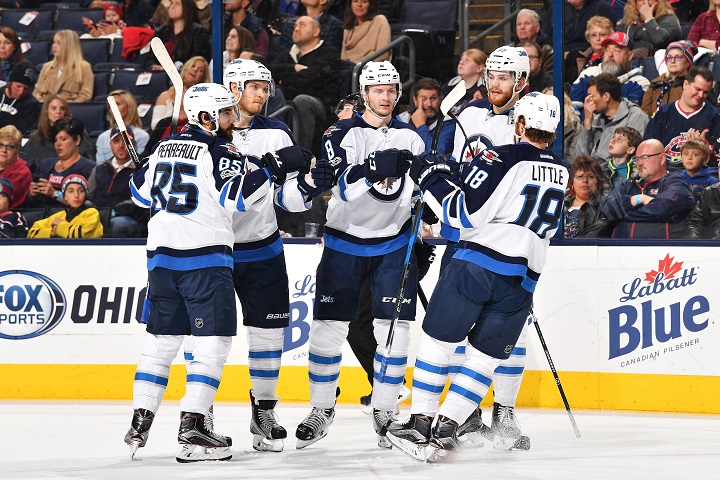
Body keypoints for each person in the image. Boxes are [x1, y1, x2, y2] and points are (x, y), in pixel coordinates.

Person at [123, 82, 312, 462]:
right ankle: (193, 425)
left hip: (161, 261)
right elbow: (236, 197)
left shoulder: (164, 147)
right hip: (203, 261)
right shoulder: (220, 148)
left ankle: (140, 421)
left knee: (161, 342)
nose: (232, 120)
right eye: (226, 113)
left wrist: (147, 165)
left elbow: (139, 194)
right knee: (213, 344)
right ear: (207, 117)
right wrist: (274, 166)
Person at [386, 92, 567, 461]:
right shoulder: (563, 169)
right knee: (484, 359)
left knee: (438, 342)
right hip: (524, 279)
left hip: (478, 266)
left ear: (519, 124)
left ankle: (420, 424)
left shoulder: (504, 155)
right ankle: (447, 428)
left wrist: (431, 177)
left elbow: (462, 214)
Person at [294, 60, 424, 450]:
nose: (385, 97)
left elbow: (419, 192)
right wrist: (372, 167)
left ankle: (385, 410)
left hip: (394, 245)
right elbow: (342, 187)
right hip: (344, 243)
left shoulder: (412, 137)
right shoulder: (342, 132)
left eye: (391, 90)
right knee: (326, 332)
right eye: (378, 90)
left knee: (395, 333)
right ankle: (321, 408)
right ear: (365, 93)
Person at [221, 58, 330, 452]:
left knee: (268, 332)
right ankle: (201, 416)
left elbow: (287, 200)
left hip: (263, 246)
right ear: (233, 87)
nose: (263, 94)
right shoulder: (209, 133)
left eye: (265, 88)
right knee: (209, 337)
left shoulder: (278, 132)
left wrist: (308, 189)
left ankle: (263, 411)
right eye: (254, 87)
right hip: (215, 250)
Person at [268, 16, 341, 152]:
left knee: (302, 100)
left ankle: (301, 155)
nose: (296, 29)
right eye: (295, 26)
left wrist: (284, 80)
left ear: (316, 31)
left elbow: (313, 79)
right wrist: (293, 68)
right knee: (272, 93)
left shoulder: (329, 52)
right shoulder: (287, 54)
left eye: (302, 25)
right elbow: (268, 71)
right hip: (289, 100)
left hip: (322, 105)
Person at [602, 138, 695, 238]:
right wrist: (638, 199)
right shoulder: (629, 184)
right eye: (637, 159)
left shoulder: (675, 182)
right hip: (620, 250)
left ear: (662, 158)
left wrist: (622, 215)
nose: (639, 163)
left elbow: (662, 209)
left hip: (661, 250)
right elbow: (608, 209)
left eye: (645, 157)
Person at [643, 66, 720, 171]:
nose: (701, 95)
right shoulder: (662, 112)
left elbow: (718, 157)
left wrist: (706, 147)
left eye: (706, 92)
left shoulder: (715, 115)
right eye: (697, 89)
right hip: (666, 176)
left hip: (702, 177)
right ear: (685, 84)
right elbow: (647, 149)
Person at [570, 32, 650, 116]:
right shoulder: (588, 74)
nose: (610, 55)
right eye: (607, 50)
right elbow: (574, 112)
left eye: (617, 51)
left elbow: (626, 117)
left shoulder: (640, 83)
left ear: (629, 56)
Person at [576, 73, 649, 163]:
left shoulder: (636, 117)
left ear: (606, 96)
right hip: (593, 173)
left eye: (592, 96)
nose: (587, 100)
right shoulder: (595, 119)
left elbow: (634, 159)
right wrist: (587, 122)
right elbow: (579, 158)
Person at [25, 118, 96, 210]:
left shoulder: (89, 167)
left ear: (77, 140)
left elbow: (85, 205)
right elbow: (30, 205)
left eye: (63, 139)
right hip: (42, 217)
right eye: (55, 140)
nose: (58, 144)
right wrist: (31, 195)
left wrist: (54, 194)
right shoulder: (45, 164)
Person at [88, 126, 146, 237]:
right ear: (110, 144)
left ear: (133, 143)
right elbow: (87, 196)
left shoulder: (142, 169)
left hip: (129, 219)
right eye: (116, 141)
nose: (121, 146)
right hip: (99, 215)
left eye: (125, 141)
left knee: (116, 224)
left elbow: (143, 200)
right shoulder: (100, 168)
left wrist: (117, 211)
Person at [21, 95, 95, 171]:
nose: (58, 112)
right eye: (54, 108)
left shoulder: (77, 131)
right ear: (46, 111)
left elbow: (89, 161)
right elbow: (25, 166)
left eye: (62, 108)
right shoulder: (36, 138)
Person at [27, 174, 103, 238]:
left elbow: (80, 235)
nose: (76, 195)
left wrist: (59, 226)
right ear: (65, 196)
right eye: (71, 191)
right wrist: (51, 233)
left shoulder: (92, 213)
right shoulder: (59, 215)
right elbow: (32, 233)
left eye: (81, 191)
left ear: (85, 195)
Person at [395, 78, 456, 155]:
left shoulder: (449, 123)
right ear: (415, 100)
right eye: (424, 99)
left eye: (433, 98)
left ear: (440, 99)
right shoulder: (401, 120)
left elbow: (437, 154)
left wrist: (421, 126)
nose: (429, 104)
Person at [150, 56, 209, 131]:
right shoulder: (165, 96)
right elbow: (155, 125)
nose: (195, 69)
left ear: (203, 78)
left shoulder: (204, 100)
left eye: (200, 70)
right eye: (193, 66)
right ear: (185, 69)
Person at [32, 30, 93, 104]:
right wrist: (45, 106)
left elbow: (85, 96)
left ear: (70, 46)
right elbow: (37, 92)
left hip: (69, 111)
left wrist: (64, 108)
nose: (54, 46)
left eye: (59, 43)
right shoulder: (46, 67)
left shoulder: (84, 67)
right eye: (54, 42)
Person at [148, 0, 211, 69]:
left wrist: (170, 69)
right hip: (159, 75)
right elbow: (149, 59)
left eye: (177, 4)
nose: (172, 6)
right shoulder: (161, 31)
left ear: (187, 8)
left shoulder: (198, 32)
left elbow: (196, 61)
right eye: (171, 3)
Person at [640, 40, 696, 117]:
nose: (672, 61)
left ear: (687, 62)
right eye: (669, 58)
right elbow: (645, 113)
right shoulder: (656, 83)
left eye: (677, 57)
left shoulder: (692, 85)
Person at [544, 0, 618, 54]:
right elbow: (545, 37)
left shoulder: (602, 9)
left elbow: (610, 37)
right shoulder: (556, 9)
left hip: (589, 54)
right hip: (560, 57)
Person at [96, 90, 150, 163]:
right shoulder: (102, 137)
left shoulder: (142, 136)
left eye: (117, 104)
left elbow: (142, 165)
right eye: (110, 105)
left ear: (129, 106)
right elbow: (100, 167)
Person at [562, 155, 609, 238]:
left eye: (590, 176)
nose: (585, 180)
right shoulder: (561, 203)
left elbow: (594, 236)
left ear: (598, 181)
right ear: (572, 181)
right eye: (580, 176)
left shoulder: (605, 206)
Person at [617, 0, 681, 59]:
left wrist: (648, 18)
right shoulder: (628, 21)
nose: (645, 2)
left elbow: (660, 40)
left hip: (654, 65)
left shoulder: (669, 19)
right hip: (628, 65)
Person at [564, 15, 614, 85]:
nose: (598, 39)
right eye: (593, 35)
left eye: (602, 34)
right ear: (588, 38)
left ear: (610, 37)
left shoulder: (611, 59)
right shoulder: (574, 55)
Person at [440, 49, 487, 118]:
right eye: (461, 60)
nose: (461, 62)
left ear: (479, 68)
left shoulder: (483, 90)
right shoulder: (451, 84)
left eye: (467, 60)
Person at [0, 61, 40, 136]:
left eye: (26, 89)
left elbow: (20, 130)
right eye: (18, 86)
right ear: (11, 82)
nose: (21, 92)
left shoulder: (32, 105)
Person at [510, 8, 553, 73]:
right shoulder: (509, 50)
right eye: (519, 24)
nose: (522, 27)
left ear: (537, 27)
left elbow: (549, 79)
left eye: (527, 23)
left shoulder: (547, 51)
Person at [0, 125, 31, 209]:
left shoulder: (21, 172)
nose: (4, 150)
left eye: (10, 147)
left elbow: (4, 202)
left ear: (18, 151)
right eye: (1, 145)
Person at [604, 126, 642, 192]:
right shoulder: (600, 169)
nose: (612, 141)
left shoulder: (637, 172)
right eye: (613, 137)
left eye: (620, 140)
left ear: (630, 150)